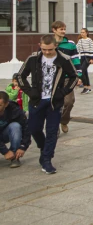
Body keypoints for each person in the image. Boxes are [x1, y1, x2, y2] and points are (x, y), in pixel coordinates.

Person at [17, 34, 78, 174]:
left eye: (50, 49)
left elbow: (74, 77)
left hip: (54, 103)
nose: (47, 52)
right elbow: (20, 76)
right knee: (34, 128)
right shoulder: (33, 58)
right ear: (40, 46)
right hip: (36, 101)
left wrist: (62, 92)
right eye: (44, 49)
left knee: (51, 132)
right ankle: (44, 148)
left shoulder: (64, 59)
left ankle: (46, 160)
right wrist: (30, 91)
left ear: (55, 46)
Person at [51, 21, 81, 134]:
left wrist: (79, 75)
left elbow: (76, 59)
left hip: (68, 77)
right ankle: (55, 125)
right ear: (54, 30)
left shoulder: (70, 44)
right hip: (53, 78)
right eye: (61, 29)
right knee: (54, 102)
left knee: (69, 101)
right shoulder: (48, 42)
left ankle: (64, 120)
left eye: (64, 29)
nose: (63, 31)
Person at [0, 91, 31, 168]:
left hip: (4, 133)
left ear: (6, 104)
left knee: (15, 126)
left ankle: (13, 156)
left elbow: (26, 128)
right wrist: (5, 151)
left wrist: (23, 146)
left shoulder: (14, 109)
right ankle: (8, 153)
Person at [76, 28, 93, 95]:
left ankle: (85, 87)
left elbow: (92, 49)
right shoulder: (80, 40)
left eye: (83, 32)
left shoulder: (89, 40)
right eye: (81, 32)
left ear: (86, 33)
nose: (82, 34)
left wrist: (92, 58)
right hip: (81, 57)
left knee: (82, 71)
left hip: (88, 57)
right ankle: (88, 87)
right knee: (85, 72)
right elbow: (77, 48)